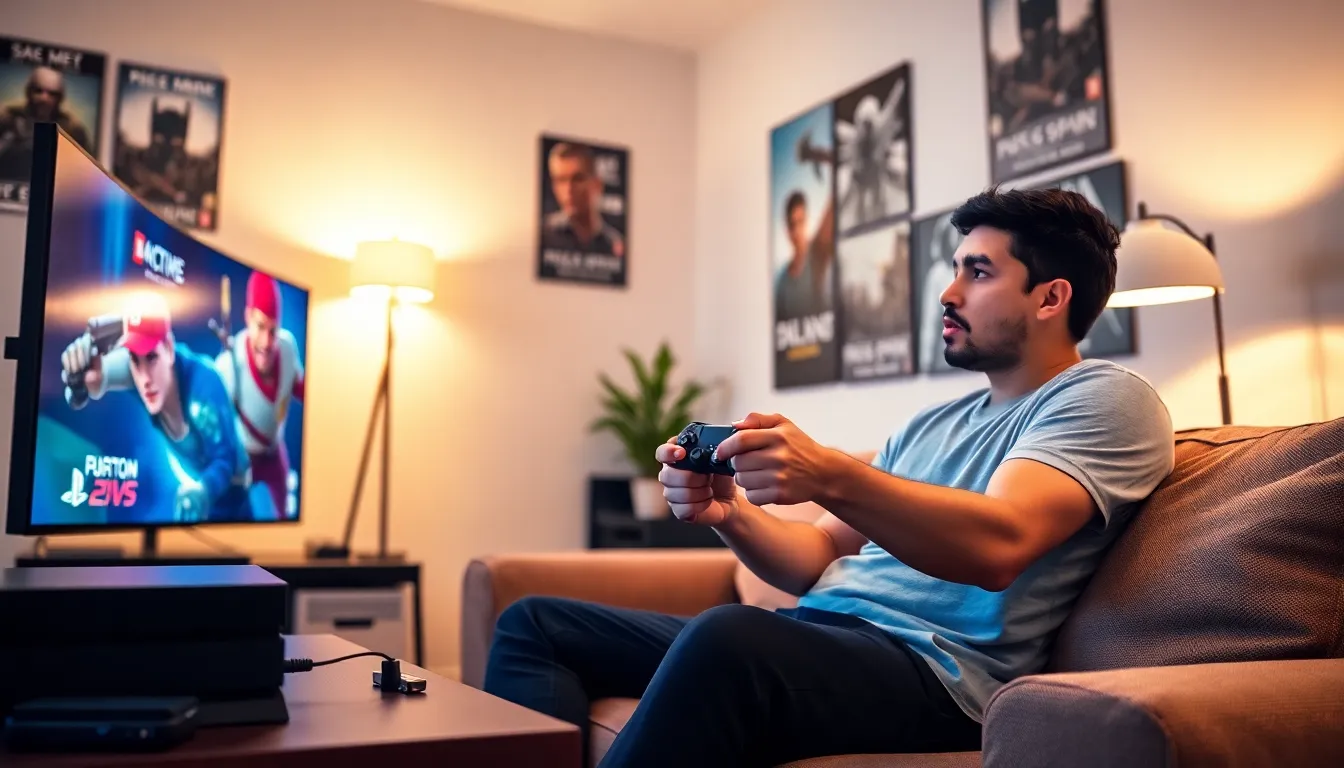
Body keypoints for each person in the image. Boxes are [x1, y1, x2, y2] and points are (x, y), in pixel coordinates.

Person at [482, 185, 1177, 767]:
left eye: (978, 272)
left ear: (1050, 298)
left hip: (936, 677)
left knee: (730, 638)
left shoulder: (1103, 398)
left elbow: (1000, 545)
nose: (948, 292)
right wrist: (730, 516)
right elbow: (814, 557)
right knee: (536, 623)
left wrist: (830, 471)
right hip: (826, 633)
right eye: (955, 270)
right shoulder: (930, 424)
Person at [60, 292, 253, 522]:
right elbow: (91, 381)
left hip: (234, 499)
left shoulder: (204, 387)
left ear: (169, 349)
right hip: (189, 493)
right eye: (135, 360)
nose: (144, 378)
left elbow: (225, 460)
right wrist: (79, 367)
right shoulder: (138, 373)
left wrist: (202, 491)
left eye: (151, 358)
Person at [214, 271, 306, 520]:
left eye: (273, 330)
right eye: (260, 326)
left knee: (283, 519)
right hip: (242, 462)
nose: (266, 341)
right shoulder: (226, 366)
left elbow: (303, 389)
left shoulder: (287, 347)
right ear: (247, 318)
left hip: (276, 455)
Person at [0, 66, 92, 180]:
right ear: (28, 92)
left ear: (60, 98)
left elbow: (84, 177)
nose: (44, 98)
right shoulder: (7, 120)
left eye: (52, 94)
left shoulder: (73, 130)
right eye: (38, 91)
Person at [541, 141, 625, 257]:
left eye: (578, 179)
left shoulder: (615, 242)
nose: (568, 189)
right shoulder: (544, 234)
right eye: (561, 180)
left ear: (597, 185)